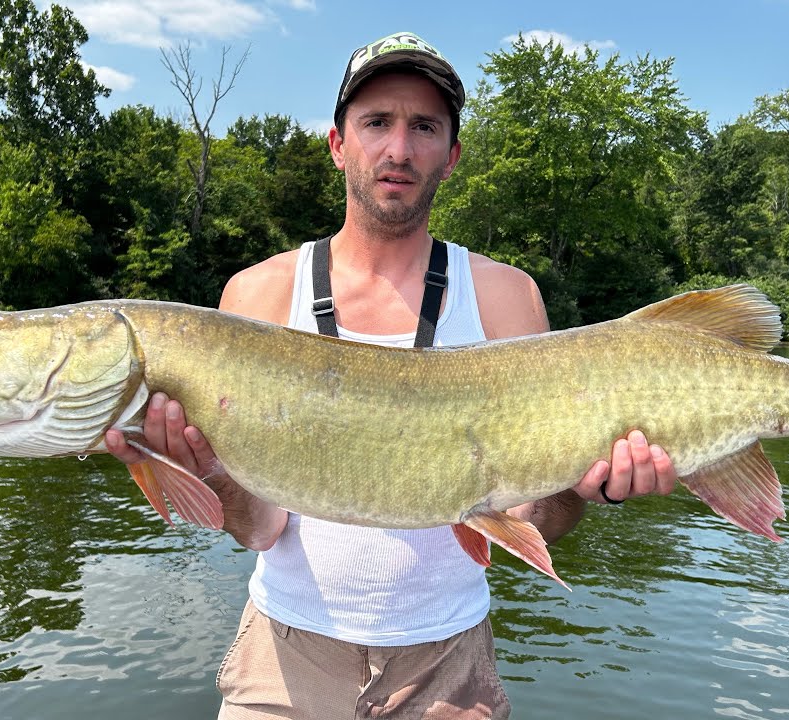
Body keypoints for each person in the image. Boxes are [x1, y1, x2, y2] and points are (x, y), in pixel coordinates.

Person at [106, 31, 677, 719]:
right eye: (377, 122)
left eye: (424, 127)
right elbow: (258, 529)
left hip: (450, 669)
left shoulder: (505, 296)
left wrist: (594, 489)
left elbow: (536, 516)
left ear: (453, 154)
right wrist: (211, 473)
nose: (399, 149)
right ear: (338, 143)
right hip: (284, 660)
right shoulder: (255, 297)